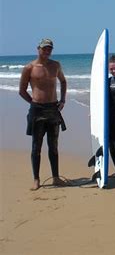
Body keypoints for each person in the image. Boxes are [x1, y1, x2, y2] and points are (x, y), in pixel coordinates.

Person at [19, 38, 67, 191]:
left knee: (53, 146)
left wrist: (63, 100)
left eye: (50, 49)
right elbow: (21, 90)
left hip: (53, 110)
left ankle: (56, 177)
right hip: (37, 111)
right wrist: (34, 103)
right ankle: (36, 179)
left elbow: (63, 82)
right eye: (44, 48)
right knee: (36, 147)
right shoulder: (29, 68)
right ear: (38, 48)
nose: (47, 51)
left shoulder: (56, 65)